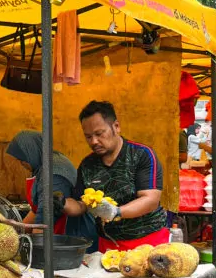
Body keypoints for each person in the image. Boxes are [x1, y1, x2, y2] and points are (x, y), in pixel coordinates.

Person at [61, 101, 169, 252]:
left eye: (99, 134)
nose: (94, 141)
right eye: (88, 136)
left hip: (148, 241)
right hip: (108, 244)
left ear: (116, 127)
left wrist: (116, 212)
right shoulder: (87, 164)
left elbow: (150, 199)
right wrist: (62, 202)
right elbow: (81, 204)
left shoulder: (142, 155)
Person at [5, 130, 97, 248]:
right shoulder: (44, 164)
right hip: (57, 233)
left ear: (31, 152)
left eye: (22, 158)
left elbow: (45, 216)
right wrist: (16, 230)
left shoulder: (53, 172)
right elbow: (36, 210)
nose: (21, 163)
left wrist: (35, 249)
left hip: (69, 238)